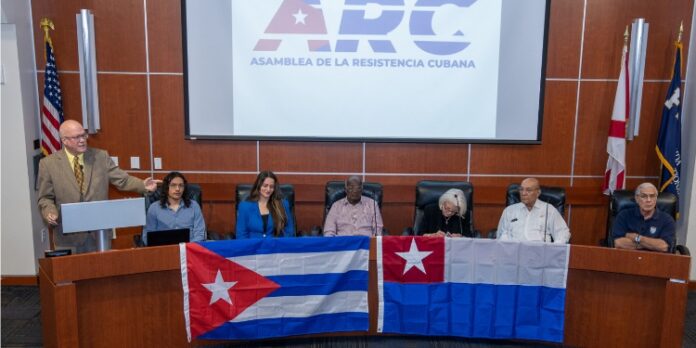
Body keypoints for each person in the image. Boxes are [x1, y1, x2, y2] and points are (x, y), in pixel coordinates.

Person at [37, 120, 160, 253]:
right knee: (72, 273)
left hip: (98, 234)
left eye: (83, 135)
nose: (82, 140)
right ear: (64, 140)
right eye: (76, 137)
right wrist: (49, 212)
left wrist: (142, 185)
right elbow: (45, 198)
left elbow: (122, 180)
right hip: (68, 236)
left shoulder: (100, 157)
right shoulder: (48, 164)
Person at [496, 178, 570, 243]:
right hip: (514, 253)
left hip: (540, 254)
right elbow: (501, 235)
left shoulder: (549, 210)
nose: (523, 193)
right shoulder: (509, 211)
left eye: (528, 190)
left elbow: (563, 233)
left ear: (538, 193)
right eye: (521, 189)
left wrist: (552, 251)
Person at [142, 172, 206, 245]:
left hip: (189, 250)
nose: (177, 189)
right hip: (164, 250)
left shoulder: (194, 206)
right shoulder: (154, 208)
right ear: (166, 188)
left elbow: (200, 234)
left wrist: (187, 248)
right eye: (173, 185)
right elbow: (147, 236)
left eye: (181, 185)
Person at [612, 183, 674, 252]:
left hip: (655, 260)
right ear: (637, 198)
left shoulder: (667, 220)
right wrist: (651, 245)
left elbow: (663, 246)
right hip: (628, 258)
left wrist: (637, 238)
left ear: (656, 199)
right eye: (644, 196)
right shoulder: (624, 215)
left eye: (652, 196)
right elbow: (618, 243)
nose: (648, 200)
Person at [236, 171, 295, 238]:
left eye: (271, 186)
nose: (268, 189)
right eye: (265, 186)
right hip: (253, 247)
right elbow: (241, 235)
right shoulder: (244, 207)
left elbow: (289, 232)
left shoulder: (283, 205)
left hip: (275, 247)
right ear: (258, 186)